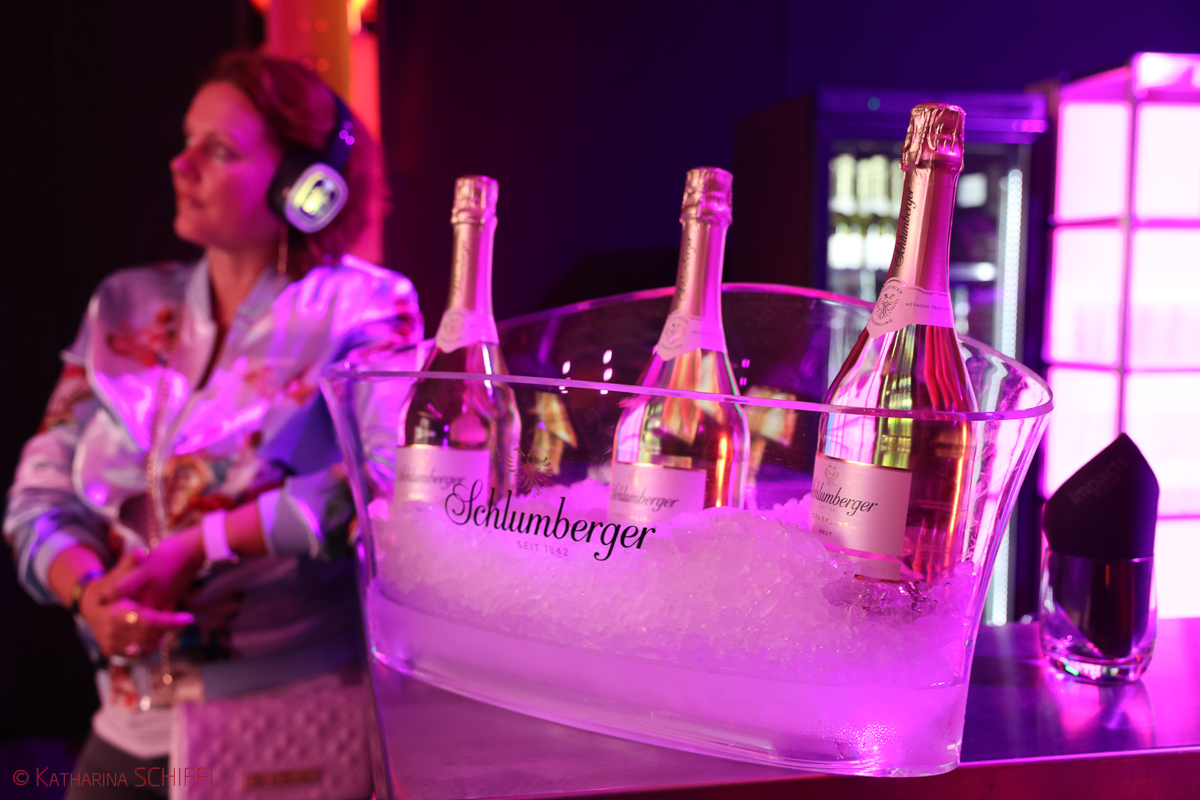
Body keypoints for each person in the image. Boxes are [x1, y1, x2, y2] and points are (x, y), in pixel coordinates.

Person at [4, 51, 422, 798]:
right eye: (187, 140)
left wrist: (202, 544)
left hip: (288, 721)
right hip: (125, 720)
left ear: (307, 186)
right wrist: (88, 593)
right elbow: (36, 495)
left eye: (219, 150)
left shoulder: (366, 308)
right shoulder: (124, 304)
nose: (181, 163)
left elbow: (385, 487)